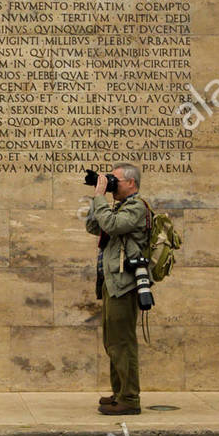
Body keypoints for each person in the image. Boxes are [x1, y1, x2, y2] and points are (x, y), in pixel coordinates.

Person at [83, 162, 151, 416]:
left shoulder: (136, 207)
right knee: (112, 341)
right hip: (113, 282)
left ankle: (130, 398)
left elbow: (112, 226)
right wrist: (97, 199)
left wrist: (100, 197)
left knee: (123, 342)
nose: (111, 184)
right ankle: (119, 392)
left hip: (126, 283)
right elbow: (94, 227)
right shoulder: (119, 207)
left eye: (116, 180)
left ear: (131, 183)